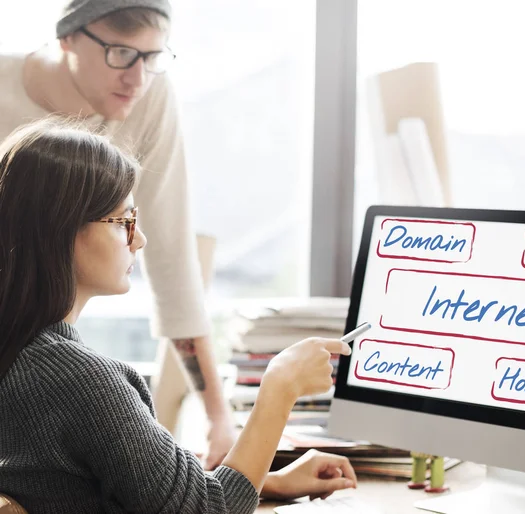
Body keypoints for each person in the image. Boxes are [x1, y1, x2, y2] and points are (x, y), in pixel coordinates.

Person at [0, 118, 357, 513]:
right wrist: (280, 388)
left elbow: (95, 488)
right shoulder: (78, 381)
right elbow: (208, 510)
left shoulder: (22, 357)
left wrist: (265, 482)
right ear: (61, 231)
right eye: (124, 222)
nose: (140, 240)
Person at [0, 0, 236, 468]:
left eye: (153, 57)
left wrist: (218, 417)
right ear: (67, 37)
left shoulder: (150, 94)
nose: (138, 78)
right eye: (121, 53)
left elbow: (171, 258)